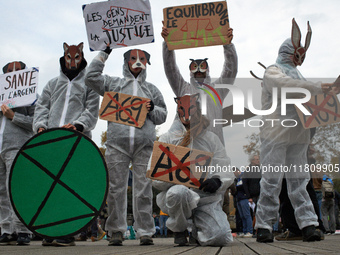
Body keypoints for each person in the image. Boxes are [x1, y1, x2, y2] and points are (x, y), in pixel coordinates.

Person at [255, 18, 339, 243]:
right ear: (290, 51)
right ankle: (264, 225)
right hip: (275, 135)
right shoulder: (273, 72)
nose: (300, 59)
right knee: (271, 180)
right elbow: (286, 86)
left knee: (299, 181)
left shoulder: (299, 76)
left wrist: (327, 94)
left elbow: (311, 105)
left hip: (298, 136)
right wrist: (318, 88)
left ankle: (309, 224)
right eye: (298, 53)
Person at [85, 45, 167, 246]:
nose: (137, 62)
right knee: (116, 188)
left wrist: (151, 109)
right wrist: (104, 52)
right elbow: (91, 77)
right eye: (133, 58)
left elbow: (162, 115)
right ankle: (116, 231)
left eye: (142, 58)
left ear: (147, 62)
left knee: (143, 189)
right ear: (126, 62)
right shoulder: (113, 83)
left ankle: (146, 231)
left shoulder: (152, 90)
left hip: (144, 146)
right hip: (117, 145)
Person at [33, 42, 100, 246]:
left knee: (71, 185)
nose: (72, 62)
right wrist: (40, 126)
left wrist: (79, 125)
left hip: (76, 142)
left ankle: (67, 231)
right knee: (50, 185)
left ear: (81, 57)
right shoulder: (53, 84)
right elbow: (42, 107)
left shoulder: (90, 85)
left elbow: (92, 110)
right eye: (69, 58)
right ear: (64, 56)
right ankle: (50, 228)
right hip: (52, 141)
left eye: (76, 57)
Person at [151, 94, 234, 246]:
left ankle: (197, 231)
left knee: (221, 237)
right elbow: (155, 177)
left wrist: (218, 180)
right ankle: (180, 228)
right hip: (178, 197)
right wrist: (172, 179)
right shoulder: (167, 140)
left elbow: (225, 167)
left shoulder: (211, 139)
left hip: (206, 199)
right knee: (179, 193)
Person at [161, 24, 238, 145]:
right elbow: (171, 70)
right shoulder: (183, 88)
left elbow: (230, 70)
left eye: (202, 66)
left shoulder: (218, 89)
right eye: (194, 67)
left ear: (207, 69)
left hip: (214, 146)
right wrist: (167, 44)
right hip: (188, 145)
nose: (198, 70)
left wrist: (228, 45)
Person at [0, 61, 36, 245]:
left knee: (16, 187)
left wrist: (14, 116)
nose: (13, 73)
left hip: (18, 145)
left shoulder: (30, 95)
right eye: (9, 71)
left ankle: (23, 230)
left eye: (17, 70)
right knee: (1, 190)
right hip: (0, 146)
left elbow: (36, 121)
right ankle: (7, 229)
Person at [234, 168, 253, 238]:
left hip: (244, 198)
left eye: (234, 172)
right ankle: (244, 231)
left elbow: (244, 186)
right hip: (239, 198)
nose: (234, 174)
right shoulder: (237, 179)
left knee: (247, 215)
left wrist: (249, 197)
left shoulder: (243, 176)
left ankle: (249, 231)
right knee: (242, 216)